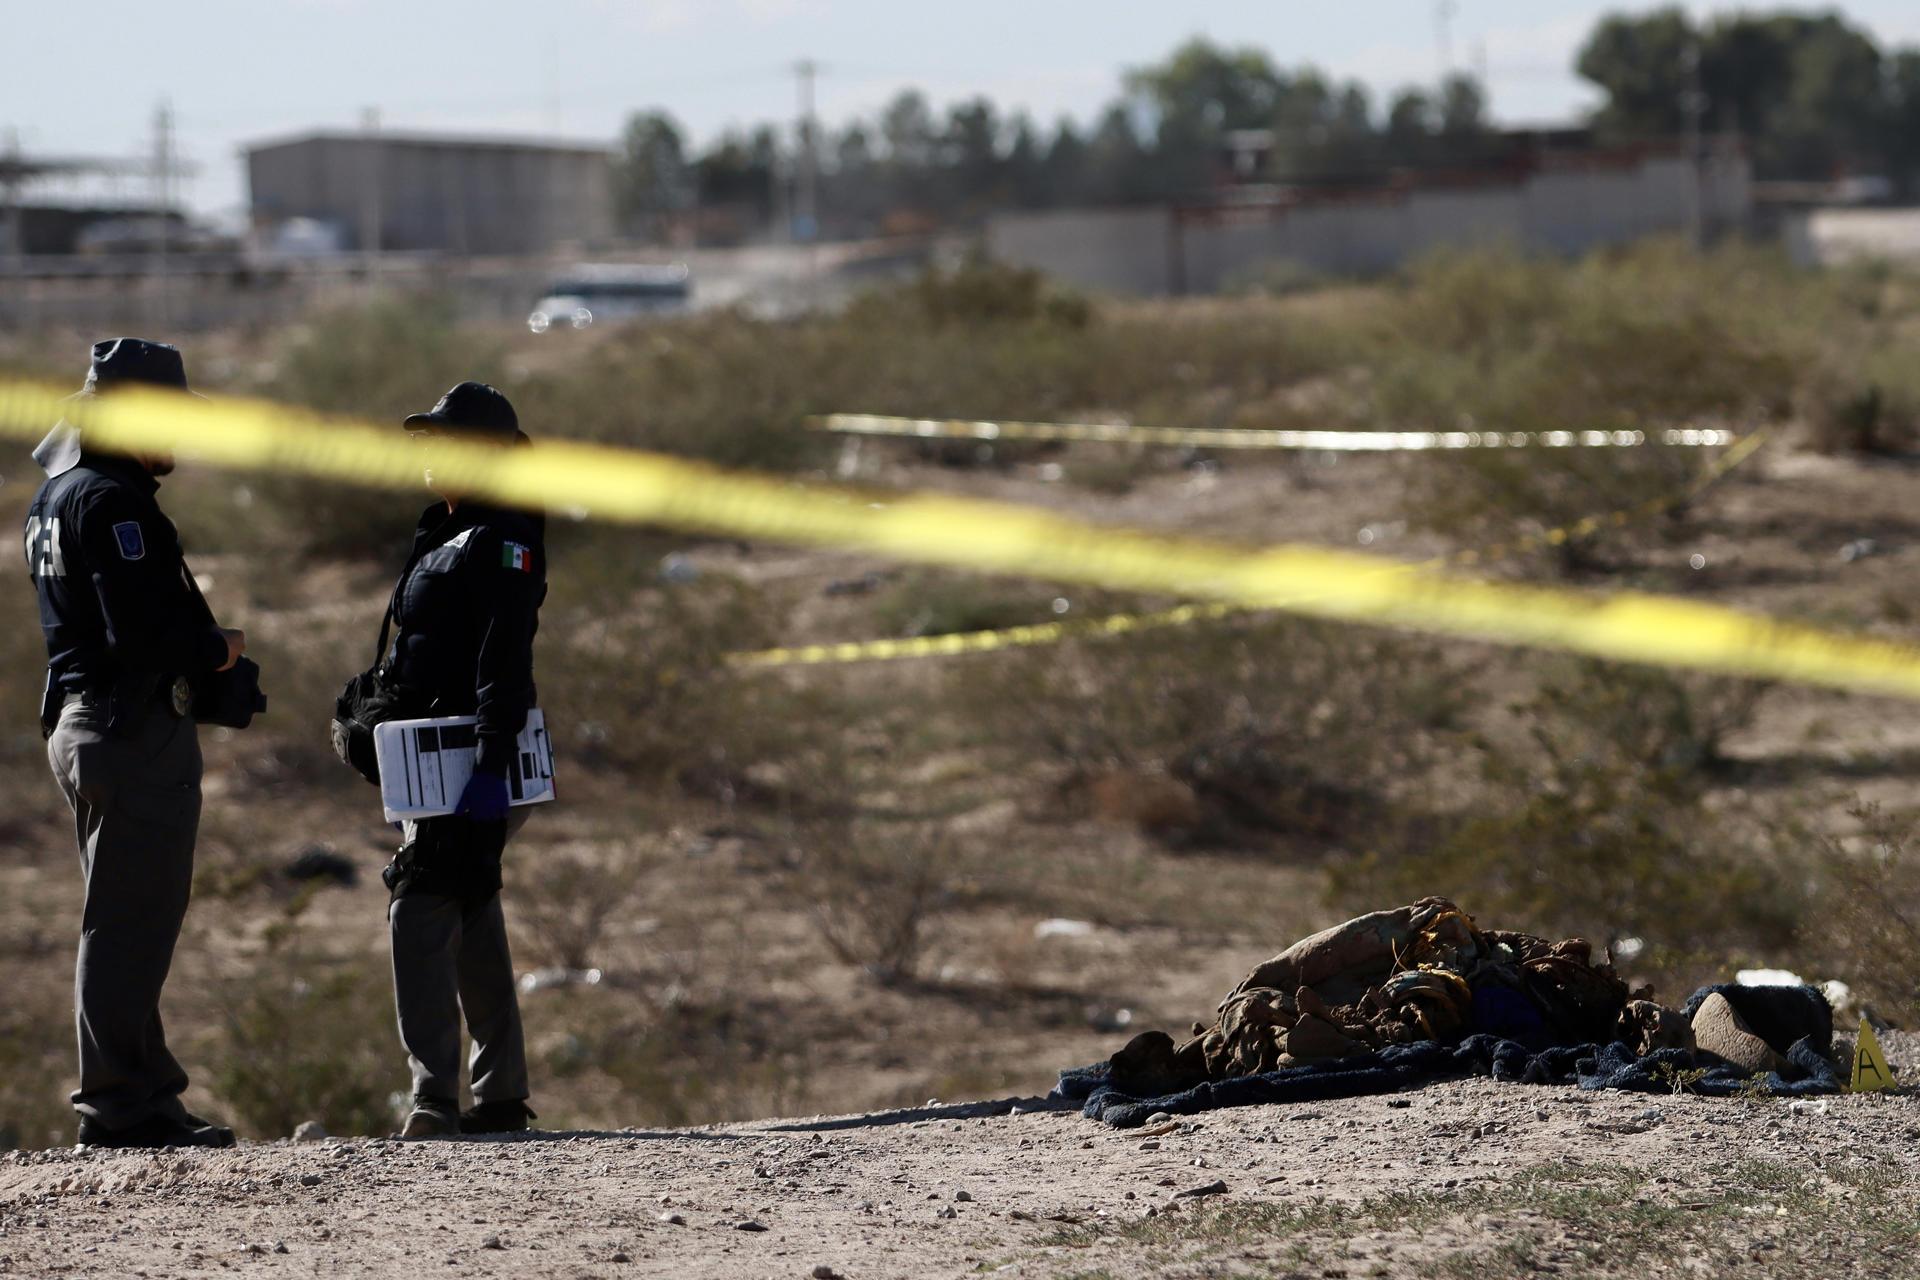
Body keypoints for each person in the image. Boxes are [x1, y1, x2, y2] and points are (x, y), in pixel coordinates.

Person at [26, 338, 246, 1150]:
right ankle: (119, 1104)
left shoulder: (58, 491)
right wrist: (217, 648)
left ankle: (147, 1094)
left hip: (82, 726)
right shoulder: (114, 503)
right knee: (127, 926)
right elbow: (143, 634)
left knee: (128, 917)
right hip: (127, 729)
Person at [376, 381, 547, 1139]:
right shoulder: (444, 530)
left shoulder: (503, 537)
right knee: (470, 903)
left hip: (469, 758)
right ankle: (501, 1098)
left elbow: (503, 657)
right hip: (429, 760)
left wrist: (489, 764)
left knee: (419, 904)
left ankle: (434, 1103)